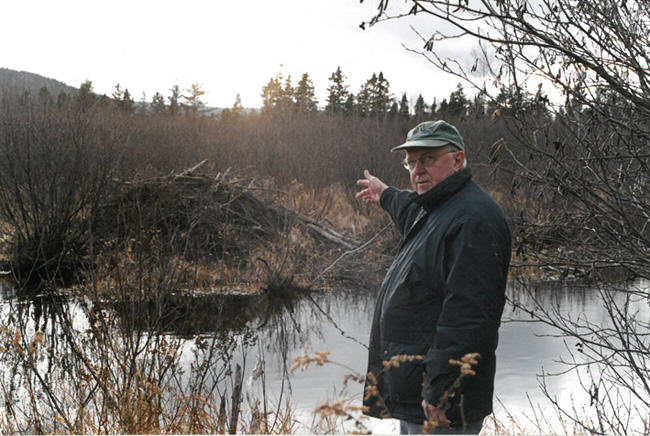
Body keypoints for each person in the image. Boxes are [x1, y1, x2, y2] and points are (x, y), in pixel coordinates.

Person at [355, 120, 511, 434]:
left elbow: (469, 316)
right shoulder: (438, 207)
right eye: (411, 161)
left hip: (441, 404)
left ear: (458, 160)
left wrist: (441, 388)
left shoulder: (473, 220)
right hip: (419, 392)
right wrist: (384, 194)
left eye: (427, 159)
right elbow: (410, 210)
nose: (417, 170)